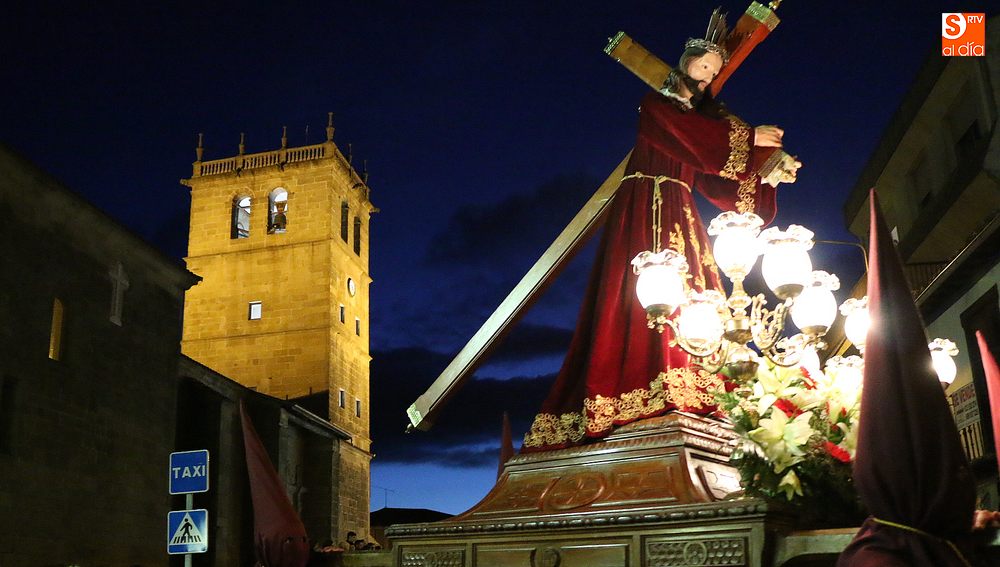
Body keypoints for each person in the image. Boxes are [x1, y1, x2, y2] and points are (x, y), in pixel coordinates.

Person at [523, 11, 800, 451]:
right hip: (644, 206)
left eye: (713, 73)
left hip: (680, 207)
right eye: (702, 68)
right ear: (684, 65)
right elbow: (702, 142)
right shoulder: (657, 108)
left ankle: (692, 375)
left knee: (697, 291)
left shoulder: (703, 124)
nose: (707, 77)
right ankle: (636, 385)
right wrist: (751, 139)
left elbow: (713, 177)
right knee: (640, 290)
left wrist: (766, 177)